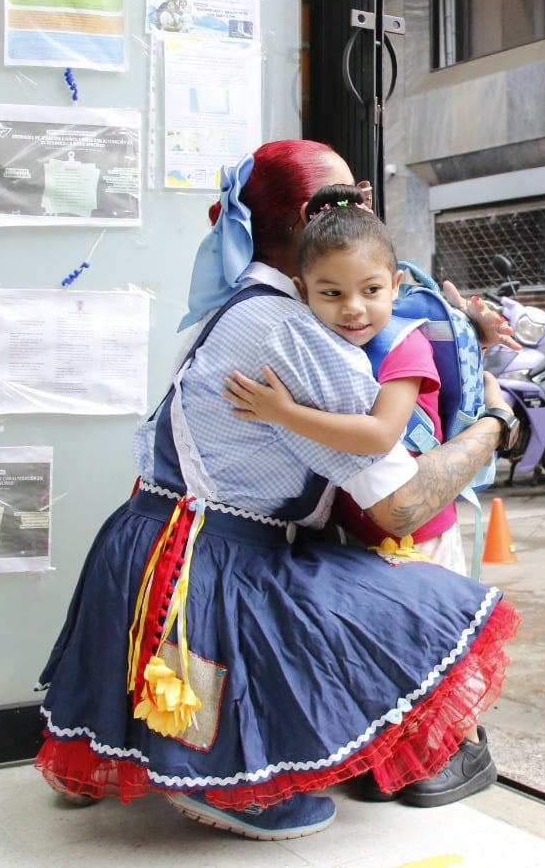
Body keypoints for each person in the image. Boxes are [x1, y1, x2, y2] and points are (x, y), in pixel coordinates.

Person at [34, 140, 519, 840]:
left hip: (140, 544)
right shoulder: (296, 334)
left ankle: (160, 751)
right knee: (428, 602)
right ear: (306, 224)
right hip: (211, 567)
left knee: (195, 669)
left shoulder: (228, 303)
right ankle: (219, 780)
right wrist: (494, 422)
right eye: (344, 202)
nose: (362, 210)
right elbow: (401, 503)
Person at [221, 181, 469, 573]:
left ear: (395, 285)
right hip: (349, 536)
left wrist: (283, 413)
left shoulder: (404, 347)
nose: (354, 309)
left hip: (418, 540)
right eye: (332, 294)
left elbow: (380, 434)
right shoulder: (319, 346)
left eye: (371, 290)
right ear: (303, 293)